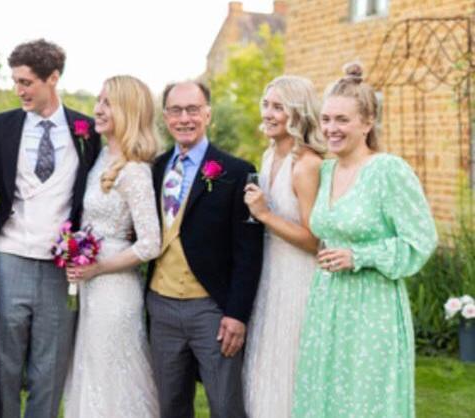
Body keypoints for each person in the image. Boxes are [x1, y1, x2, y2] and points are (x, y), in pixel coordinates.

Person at [292, 63, 438, 417]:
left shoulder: (388, 171)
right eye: (326, 119)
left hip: (373, 309)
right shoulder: (325, 171)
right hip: (327, 304)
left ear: (367, 122)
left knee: (365, 401)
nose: (331, 128)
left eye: (342, 120)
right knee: (323, 395)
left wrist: (360, 256)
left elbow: (422, 239)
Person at [0, 39, 102, 418]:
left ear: (53, 78)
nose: (20, 91)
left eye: (27, 82)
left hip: (60, 268)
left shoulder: (88, 131)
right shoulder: (0, 127)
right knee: (5, 363)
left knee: (51, 367)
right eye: (16, 81)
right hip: (8, 257)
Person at [146, 81, 264, 418]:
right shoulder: (154, 169)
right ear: (166, 117)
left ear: (208, 114)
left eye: (193, 110)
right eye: (176, 110)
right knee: (170, 406)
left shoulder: (237, 172)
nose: (185, 118)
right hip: (161, 306)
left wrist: (237, 314)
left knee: (225, 405)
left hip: (213, 310)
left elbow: (248, 253)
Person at [63, 75, 161, 418]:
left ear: (128, 111)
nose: (97, 110)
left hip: (116, 290)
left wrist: (100, 266)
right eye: (98, 101)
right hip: (92, 287)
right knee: (93, 371)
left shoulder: (134, 171)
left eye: (107, 103)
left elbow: (150, 243)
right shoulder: (101, 158)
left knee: (113, 375)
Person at [241, 75, 326, 418]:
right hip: (269, 278)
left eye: (278, 107)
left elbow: (314, 239)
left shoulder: (306, 164)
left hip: (298, 281)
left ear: (298, 112)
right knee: (263, 367)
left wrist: (263, 214)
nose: (268, 114)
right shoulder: (268, 155)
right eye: (266, 105)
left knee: (290, 369)